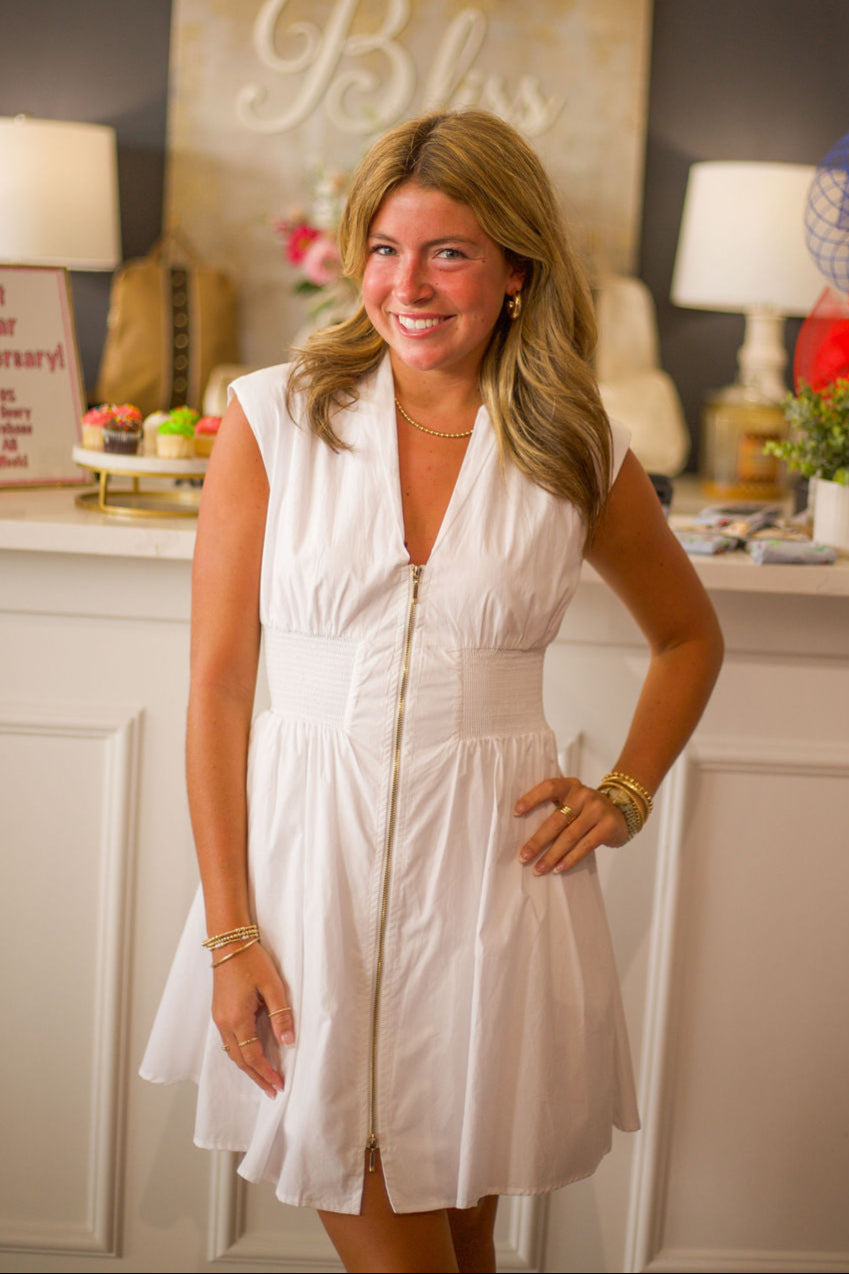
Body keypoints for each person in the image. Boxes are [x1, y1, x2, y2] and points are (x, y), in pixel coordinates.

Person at [141, 109, 723, 1273]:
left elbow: (688, 636)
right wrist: (231, 932)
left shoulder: (575, 444)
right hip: (307, 894)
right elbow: (217, 689)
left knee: (464, 1237)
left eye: (448, 252)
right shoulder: (273, 418)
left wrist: (624, 791)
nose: (407, 285)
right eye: (384, 248)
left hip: (494, 896)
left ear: (516, 271)